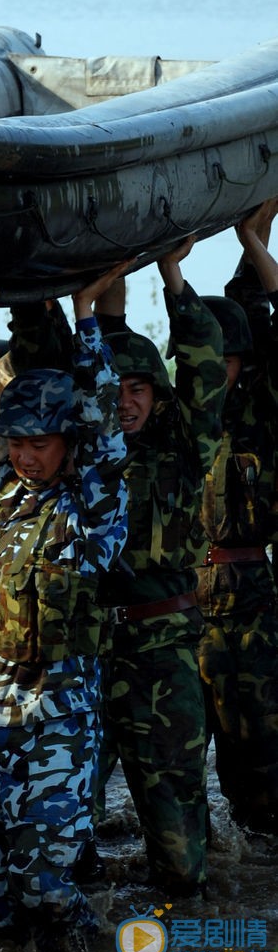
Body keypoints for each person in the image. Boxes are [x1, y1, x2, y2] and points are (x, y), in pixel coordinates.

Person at [0, 265, 128, 952]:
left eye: (39, 443)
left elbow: (105, 420)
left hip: (54, 719)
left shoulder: (92, 507)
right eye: (17, 441)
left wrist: (85, 317)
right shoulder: (2, 493)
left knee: (46, 885)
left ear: (67, 443)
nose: (25, 454)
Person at [95, 238, 226, 898]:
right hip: (92, 650)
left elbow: (203, 363)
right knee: (64, 809)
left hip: (164, 651)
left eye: (138, 388)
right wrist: (86, 297)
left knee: (176, 822)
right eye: (114, 389)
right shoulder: (85, 458)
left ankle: (185, 919)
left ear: (156, 393)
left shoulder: (183, 449)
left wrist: (172, 272)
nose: (126, 402)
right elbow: (73, 348)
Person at [196, 200, 278, 834]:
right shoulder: (177, 422)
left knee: (255, 751)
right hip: (180, 601)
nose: (209, 371)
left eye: (222, 359)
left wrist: (252, 238)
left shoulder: (261, 417)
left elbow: (256, 308)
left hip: (249, 600)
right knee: (175, 749)